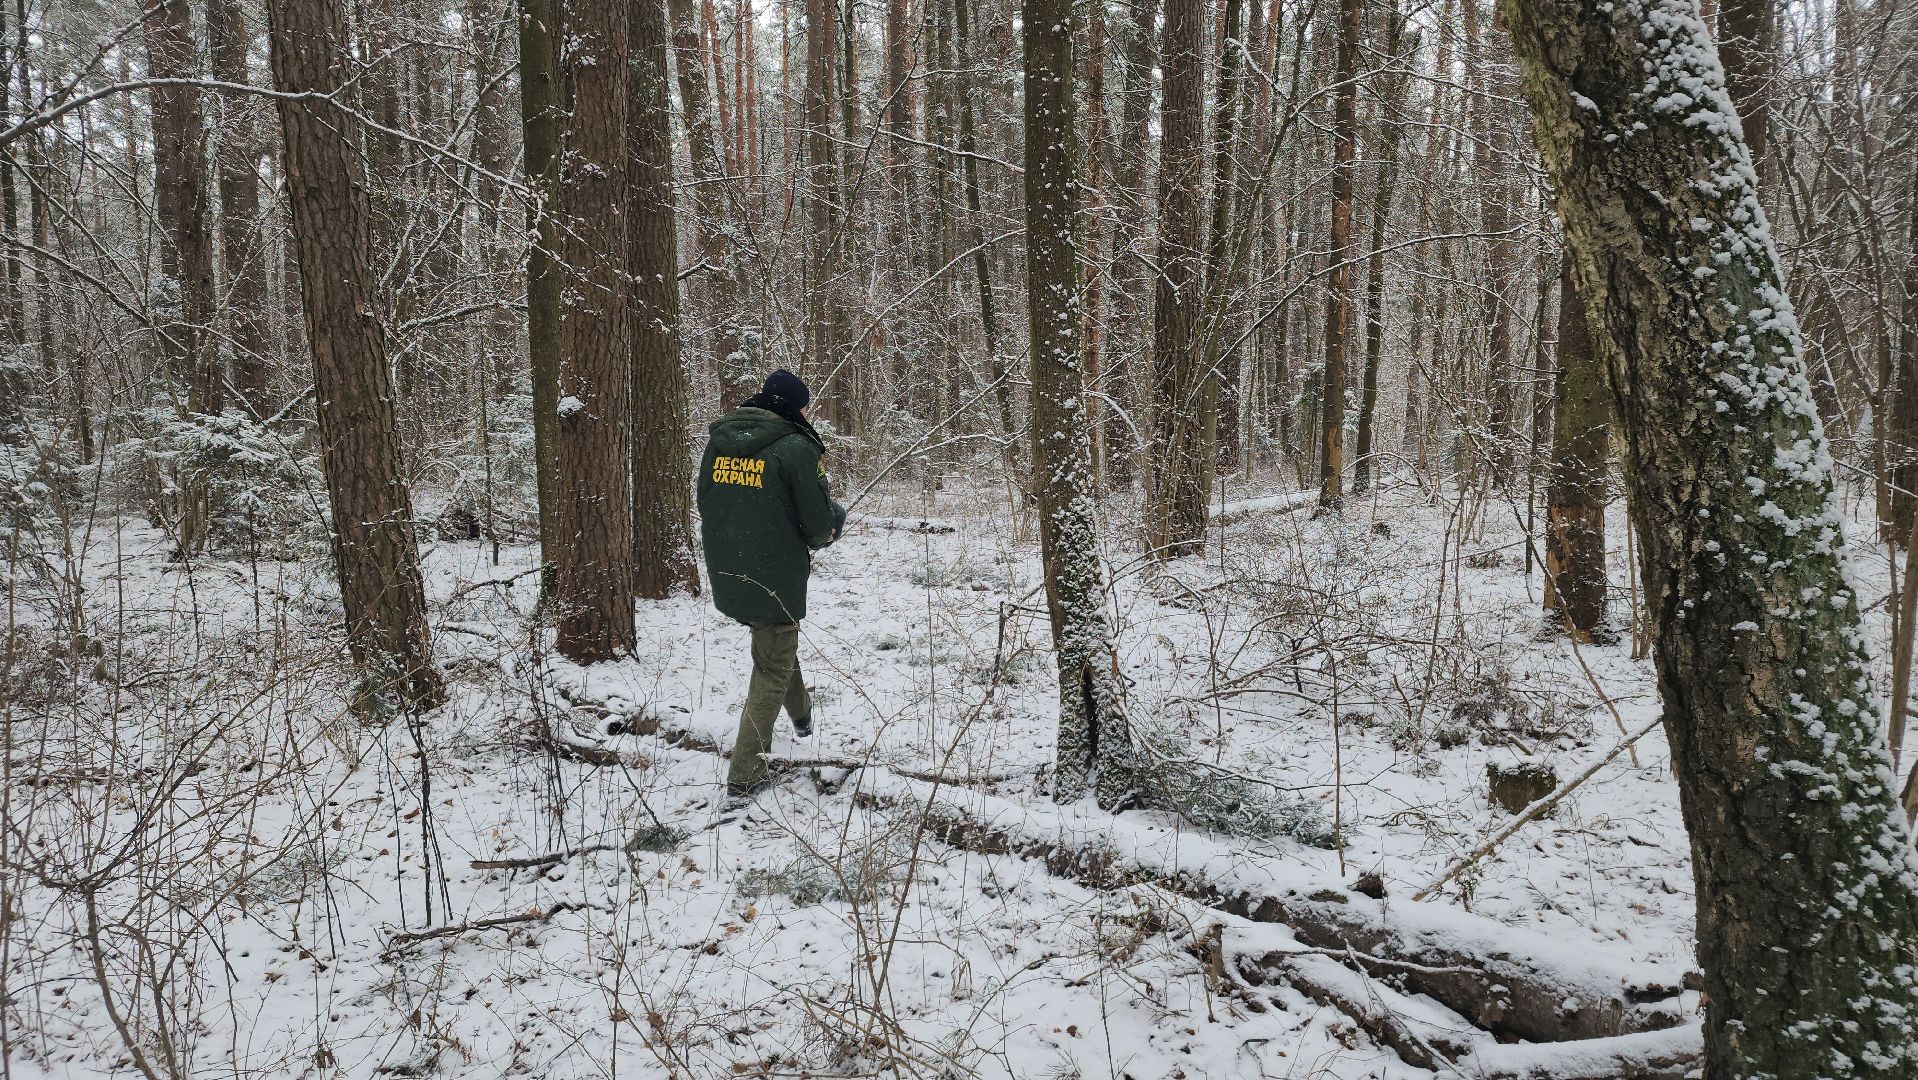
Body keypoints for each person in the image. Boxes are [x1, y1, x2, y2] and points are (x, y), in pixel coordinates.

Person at [696, 369, 846, 806]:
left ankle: (801, 719)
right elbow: (817, 527)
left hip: (729, 568)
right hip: (775, 573)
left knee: (775, 642)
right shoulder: (796, 448)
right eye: (805, 405)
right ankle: (744, 777)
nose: (806, 412)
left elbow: (706, 501)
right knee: (771, 665)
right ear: (793, 406)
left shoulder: (719, 442)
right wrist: (833, 522)